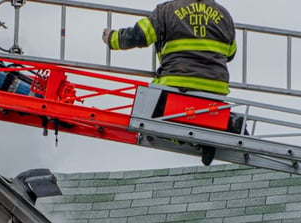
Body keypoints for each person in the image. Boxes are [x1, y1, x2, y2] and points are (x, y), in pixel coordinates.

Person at [102, 0, 238, 165]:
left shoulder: (166, 11)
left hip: (177, 86)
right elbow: (230, 54)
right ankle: (220, 129)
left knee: (150, 116)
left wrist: (112, 38)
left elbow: (139, 36)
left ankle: (192, 140)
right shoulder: (224, 15)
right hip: (215, 91)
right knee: (198, 116)